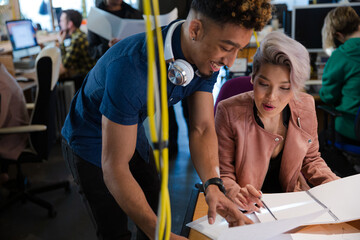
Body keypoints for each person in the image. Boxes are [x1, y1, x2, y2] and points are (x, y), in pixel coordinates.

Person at [61, 0, 272, 239]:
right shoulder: (132, 69)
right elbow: (114, 167)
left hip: (130, 126)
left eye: (238, 49)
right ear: (195, 30)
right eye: (227, 47)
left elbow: (202, 128)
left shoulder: (204, 58)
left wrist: (213, 184)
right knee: (113, 226)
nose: (230, 61)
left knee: (153, 201)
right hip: (87, 138)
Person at [215, 32, 339, 213]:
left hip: (292, 205)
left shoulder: (305, 106)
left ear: (295, 86)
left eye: (285, 88)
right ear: (253, 77)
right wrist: (237, 193)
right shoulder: (228, 112)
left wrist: (334, 183)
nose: (271, 97)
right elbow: (223, 173)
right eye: (264, 84)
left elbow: (311, 160)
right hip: (248, 210)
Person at [320, 6, 360, 142]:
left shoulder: (340, 56)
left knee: (313, 145)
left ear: (337, 35)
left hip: (352, 130)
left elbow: (328, 96)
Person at [0, 63, 29, 185]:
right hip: (17, 131)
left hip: (13, 138)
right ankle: (3, 173)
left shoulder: (2, 85)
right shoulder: (3, 74)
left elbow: (1, 122)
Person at [58, 9, 95, 91]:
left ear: (70, 24)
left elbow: (65, 65)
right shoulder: (81, 35)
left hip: (86, 79)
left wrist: (61, 43)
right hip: (89, 77)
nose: (60, 23)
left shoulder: (77, 39)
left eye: (61, 21)